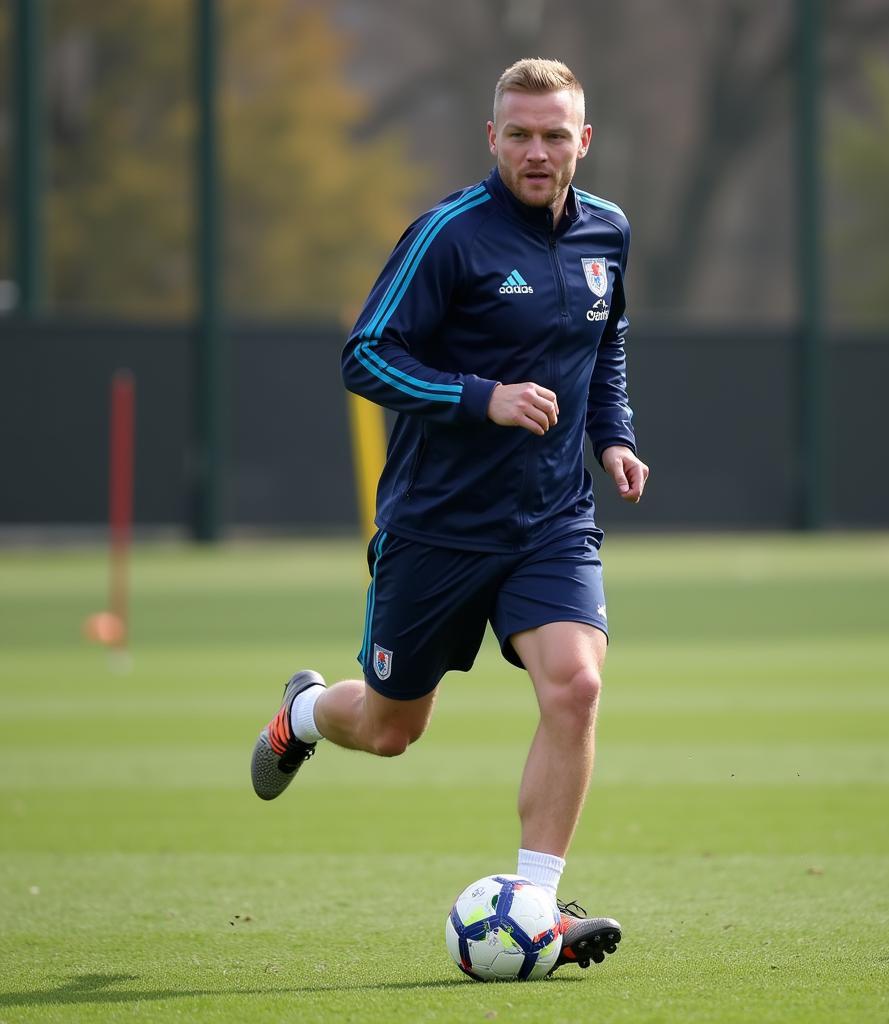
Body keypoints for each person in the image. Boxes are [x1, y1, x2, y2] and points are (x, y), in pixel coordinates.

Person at [250, 57, 648, 973]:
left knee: (577, 686)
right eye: (521, 134)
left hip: (550, 520)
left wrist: (613, 435)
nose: (538, 151)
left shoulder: (609, 232)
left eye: (556, 135)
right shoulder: (447, 236)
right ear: (492, 138)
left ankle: (537, 904)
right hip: (437, 526)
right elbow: (365, 359)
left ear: (583, 141)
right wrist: (483, 398)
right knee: (392, 728)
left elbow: (607, 340)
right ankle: (305, 713)